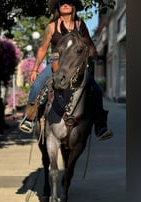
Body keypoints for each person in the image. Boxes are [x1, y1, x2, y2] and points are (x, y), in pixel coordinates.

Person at [19, 0, 113, 141]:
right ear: (57, 6)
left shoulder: (80, 25)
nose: (65, 4)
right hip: (55, 63)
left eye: (69, 1)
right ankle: (29, 118)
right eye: (62, 2)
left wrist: (93, 51)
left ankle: (100, 126)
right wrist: (35, 69)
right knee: (36, 86)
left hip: (75, 65)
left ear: (74, 6)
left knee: (97, 91)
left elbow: (89, 43)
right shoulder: (51, 26)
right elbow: (43, 48)